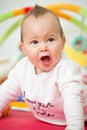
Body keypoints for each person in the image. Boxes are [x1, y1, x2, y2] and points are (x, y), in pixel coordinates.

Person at [0, 4, 87, 130]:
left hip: (80, 115)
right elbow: (6, 91)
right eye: (34, 42)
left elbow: (72, 99)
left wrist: (74, 126)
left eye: (50, 39)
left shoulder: (65, 70)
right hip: (43, 118)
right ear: (23, 49)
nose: (43, 47)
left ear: (62, 42)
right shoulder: (22, 68)